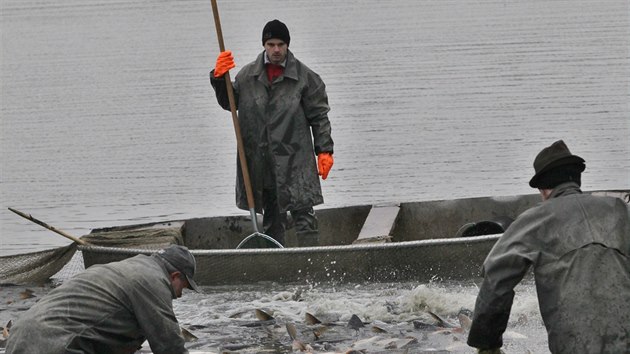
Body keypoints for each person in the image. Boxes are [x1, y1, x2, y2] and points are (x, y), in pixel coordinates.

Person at [467, 140, 630, 354]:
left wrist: (487, 344)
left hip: (575, 346)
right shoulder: (619, 210)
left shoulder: (534, 220)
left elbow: (496, 279)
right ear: (577, 179)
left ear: (544, 189)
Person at [209, 19, 334, 247]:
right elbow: (230, 101)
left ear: (287, 45)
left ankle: (313, 268)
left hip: (296, 162)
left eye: (280, 45)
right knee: (272, 221)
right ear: (264, 45)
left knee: (304, 218)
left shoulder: (306, 78)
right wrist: (219, 78)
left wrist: (324, 150)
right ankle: (279, 268)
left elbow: (320, 116)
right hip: (263, 163)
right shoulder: (247, 77)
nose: (276, 50)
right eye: (271, 44)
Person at [6, 244, 200, 354]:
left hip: (19, 339)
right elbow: (169, 346)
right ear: (175, 276)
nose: (180, 295)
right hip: (54, 346)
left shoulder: (127, 268)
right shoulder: (152, 281)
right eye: (183, 288)